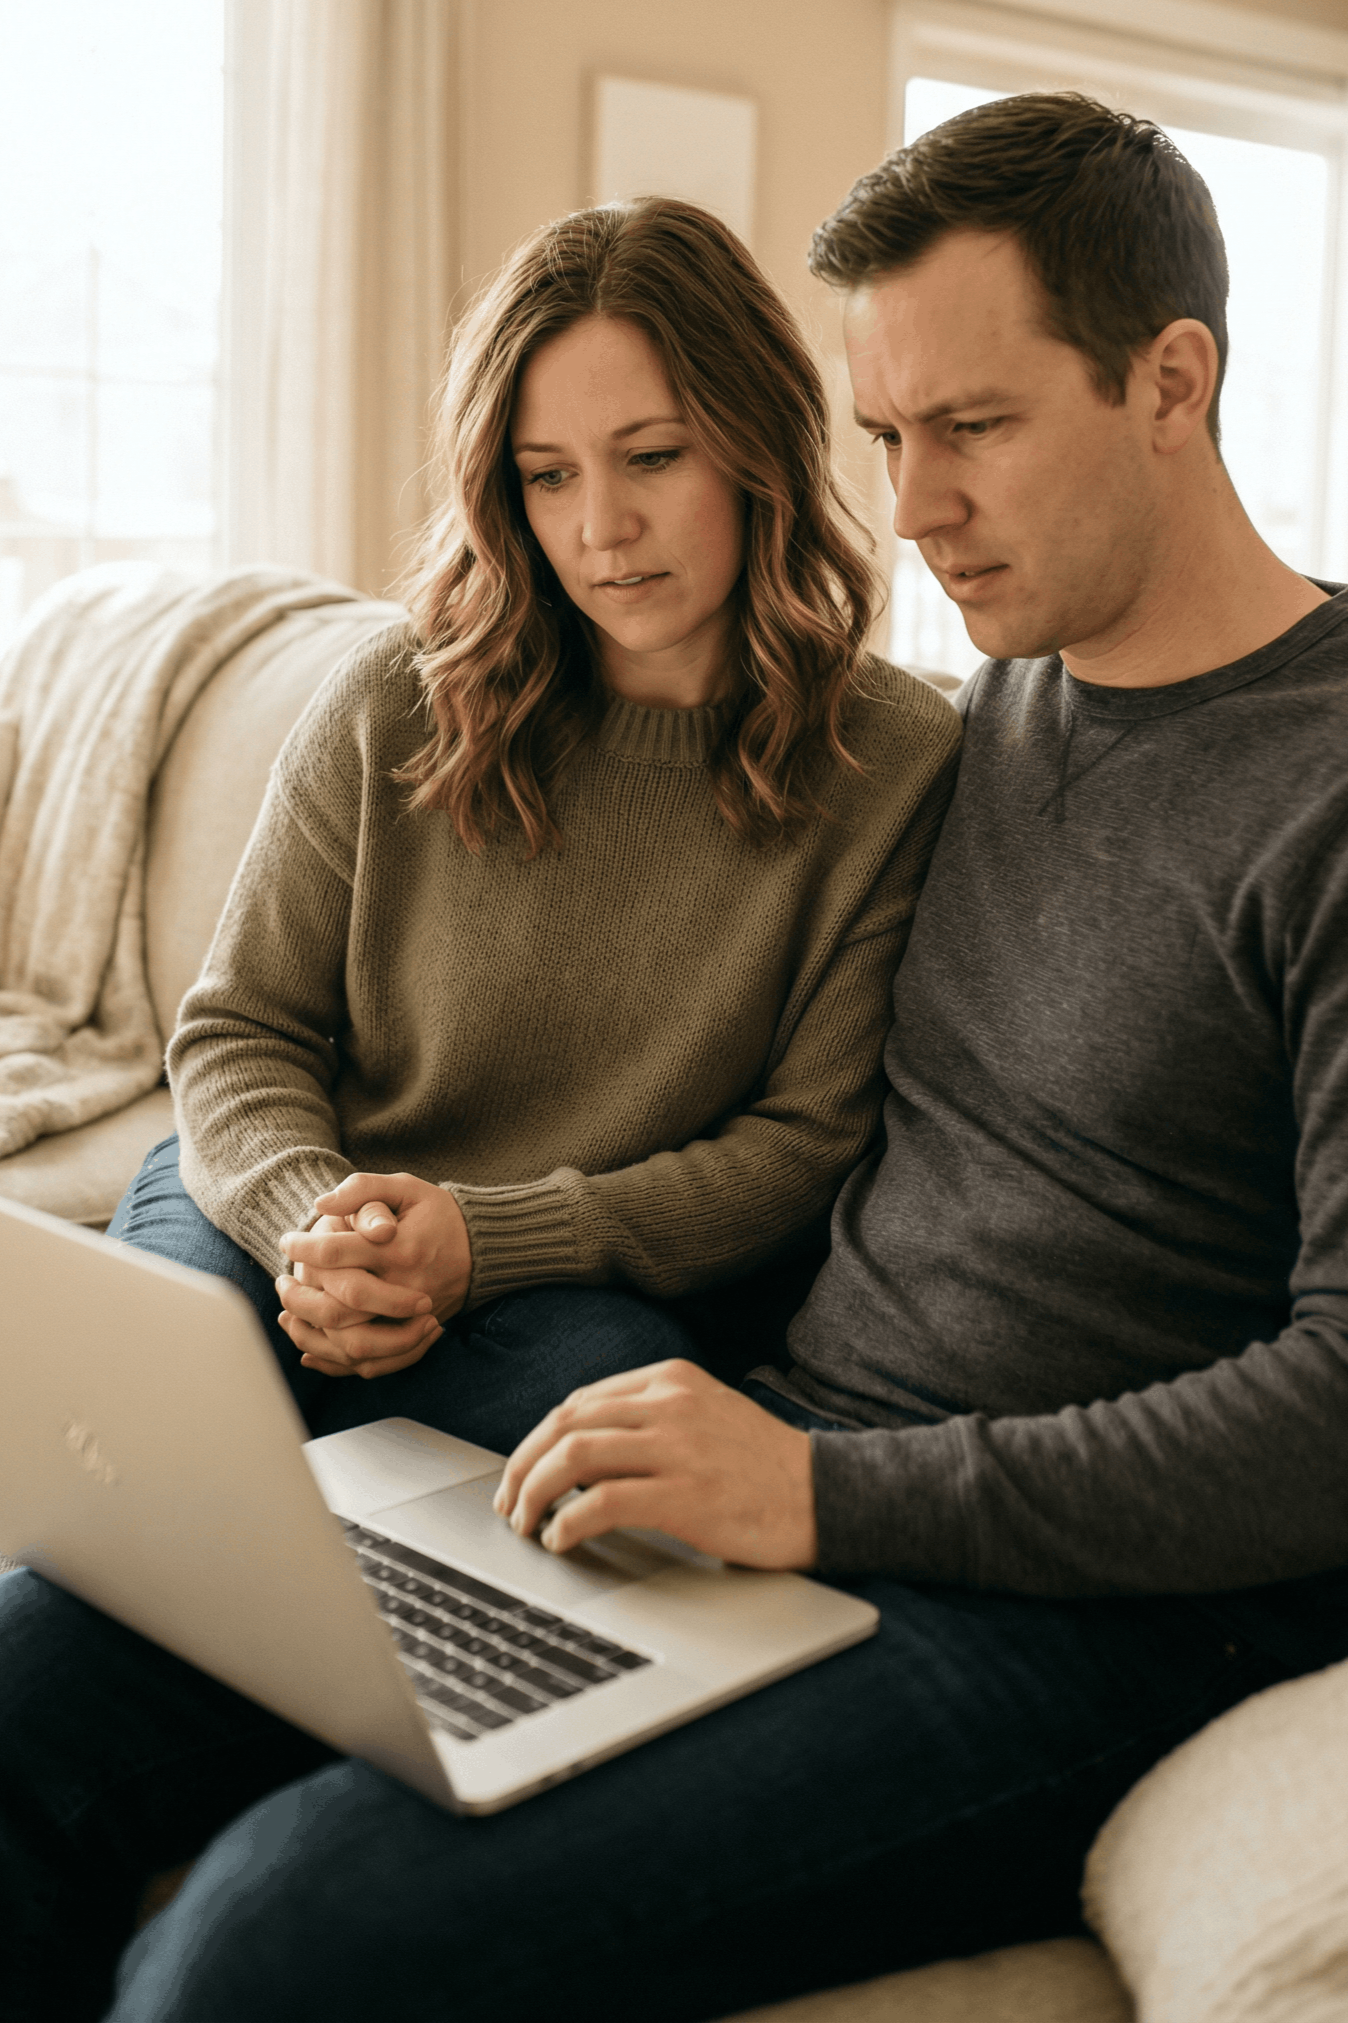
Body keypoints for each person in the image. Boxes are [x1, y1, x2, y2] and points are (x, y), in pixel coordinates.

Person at [6, 91, 1348, 2023]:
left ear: (1170, 380)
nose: (914, 507)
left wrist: (819, 1493)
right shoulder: (1000, 720)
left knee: (262, 1949)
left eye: (971, 427)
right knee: (30, 1695)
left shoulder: (1305, 788)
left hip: (1064, 1607)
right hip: (751, 1461)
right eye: (886, 436)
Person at [105, 194, 959, 1452]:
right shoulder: (395, 694)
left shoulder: (891, 758)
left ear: (757, 443)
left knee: (612, 1421)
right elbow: (241, 1028)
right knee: (133, 1469)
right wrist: (320, 1230)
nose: (599, 528)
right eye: (547, 475)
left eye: (652, 456)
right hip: (299, 1206)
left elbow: (805, 1148)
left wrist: (481, 1241)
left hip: (562, 1280)